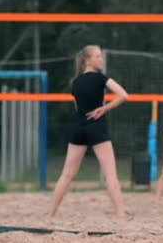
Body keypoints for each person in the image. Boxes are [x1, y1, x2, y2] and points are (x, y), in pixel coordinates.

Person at [48, 45, 129, 219]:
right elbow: (124, 95)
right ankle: (121, 213)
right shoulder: (101, 78)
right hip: (97, 126)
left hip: (79, 128)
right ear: (88, 60)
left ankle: (50, 214)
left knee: (67, 174)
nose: (101, 59)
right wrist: (104, 109)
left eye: (101, 56)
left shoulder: (75, 82)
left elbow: (78, 108)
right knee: (110, 174)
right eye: (98, 56)